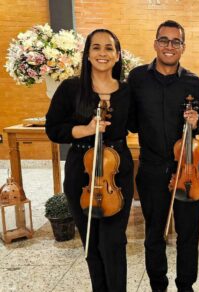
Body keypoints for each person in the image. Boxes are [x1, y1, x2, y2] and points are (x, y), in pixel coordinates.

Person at [46, 29, 134, 292]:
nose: (102, 53)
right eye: (96, 48)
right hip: (80, 171)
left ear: (118, 56)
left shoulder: (127, 91)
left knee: (113, 242)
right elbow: (53, 128)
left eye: (109, 48)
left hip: (116, 172)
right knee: (91, 242)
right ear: (87, 54)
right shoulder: (71, 88)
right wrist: (85, 129)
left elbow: (142, 123)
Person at [127, 20, 199, 292]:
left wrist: (196, 122)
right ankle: (158, 286)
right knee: (153, 234)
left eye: (176, 41)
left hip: (187, 169)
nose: (169, 46)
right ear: (155, 43)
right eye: (164, 40)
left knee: (188, 235)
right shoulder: (137, 78)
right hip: (150, 169)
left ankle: (186, 286)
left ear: (183, 46)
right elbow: (132, 123)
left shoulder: (195, 82)